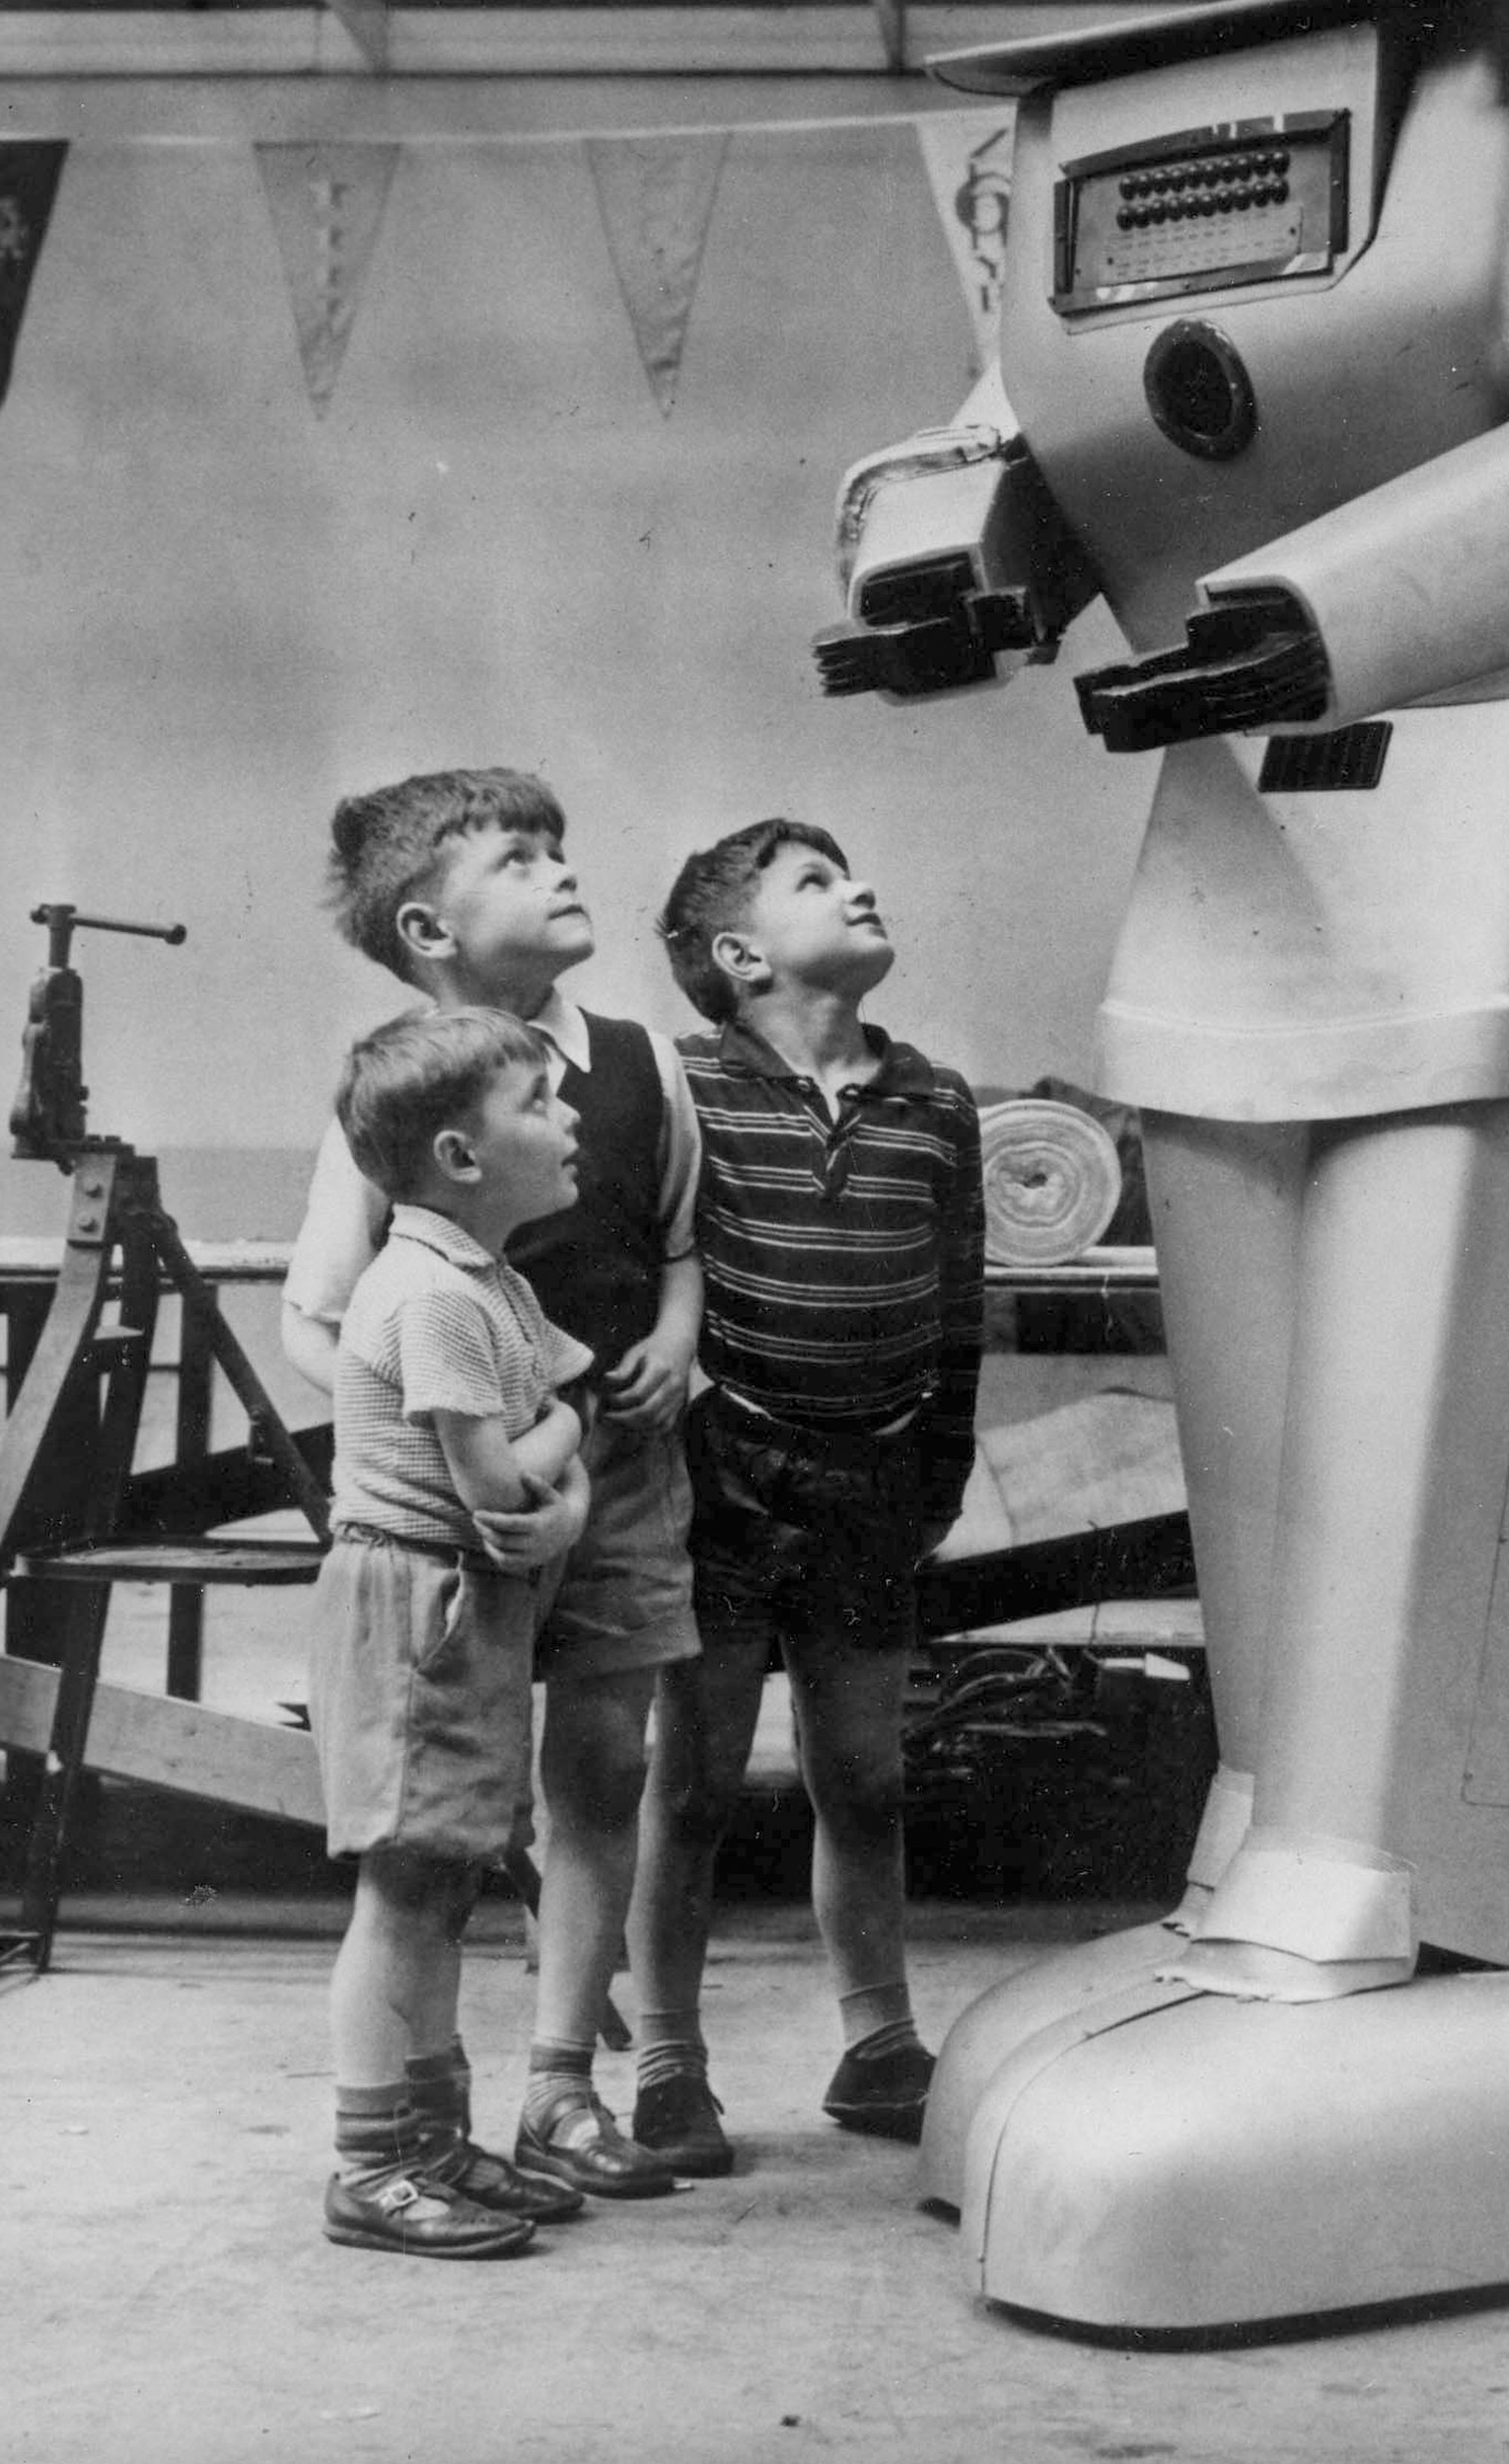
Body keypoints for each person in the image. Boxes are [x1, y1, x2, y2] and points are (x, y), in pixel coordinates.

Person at [282, 768, 708, 2194]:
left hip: (619, 1471)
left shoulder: (639, 1064)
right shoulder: (406, 1097)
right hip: (471, 1515)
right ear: (428, 930)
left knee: (603, 1773)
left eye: (556, 847)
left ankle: (561, 2089)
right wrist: (437, 1470)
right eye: (516, 859)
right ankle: (413, 2128)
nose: (558, 870)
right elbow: (319, 1315)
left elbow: (679, 1246)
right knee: (446, 1823)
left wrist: (673, 1344)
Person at [627, 819, 984, 2152]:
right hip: (720, 1473)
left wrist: (940, 1462)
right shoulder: (681, 1086)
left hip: (876, 1477)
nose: (861, 886)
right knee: (693, 1787)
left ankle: (879, 2046)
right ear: (739, 954)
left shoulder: (938, 1099)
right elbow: (641, 1264)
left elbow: (962, 1301)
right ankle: (668, 2060)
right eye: (817, 882)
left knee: (866, 1779)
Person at [311, 1004, 594, 2258]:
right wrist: (565, 1455)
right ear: (460, 1156)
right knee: (405, 1884)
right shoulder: (430, 1292)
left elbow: (555, 1428)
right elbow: (500, 1480)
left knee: (440, 1881)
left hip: (462, 1600)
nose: (569, 1117)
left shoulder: (491, 1280)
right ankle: (373, 2162)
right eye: (538, 1101)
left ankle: (428, 2139)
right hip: (416, 1603)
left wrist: (561, 1470)